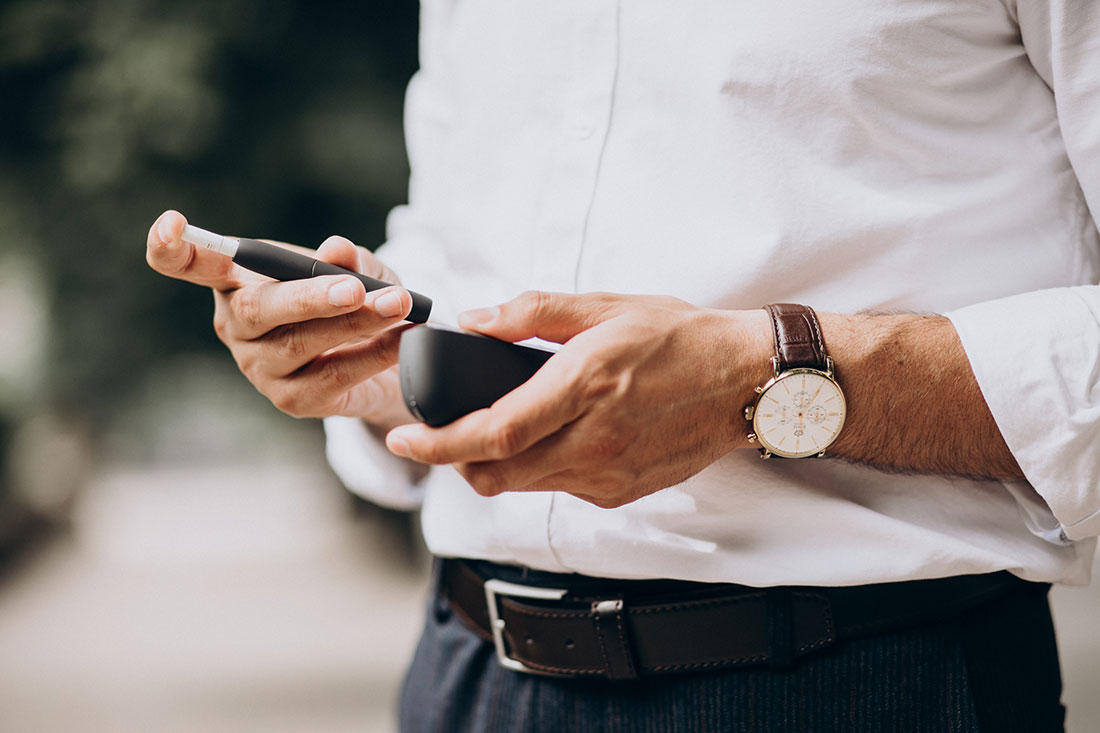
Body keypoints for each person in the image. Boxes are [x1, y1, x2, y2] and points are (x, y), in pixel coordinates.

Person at [147, 2, 1099, 731]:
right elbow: (462, 255)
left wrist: (758, 381)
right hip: (465, 675)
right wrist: (367, 362)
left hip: (865, 681)